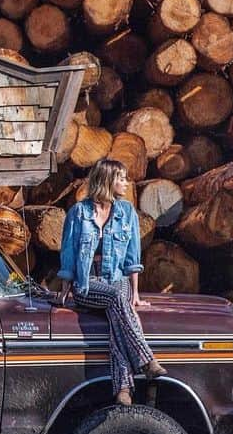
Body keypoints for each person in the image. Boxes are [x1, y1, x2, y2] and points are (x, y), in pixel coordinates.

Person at [58, 158, 166, 405]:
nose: (126, 183)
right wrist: (66, 289)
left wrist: (135, 294)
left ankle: (123, 390)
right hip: (89, 282)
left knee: (118, 316)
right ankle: (145, 359)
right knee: (117, 300)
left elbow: (132, 258)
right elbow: (68, 253)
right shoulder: (79, 212)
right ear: (106, 180)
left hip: (117, 281)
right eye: (121, 178)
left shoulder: (127, 212)